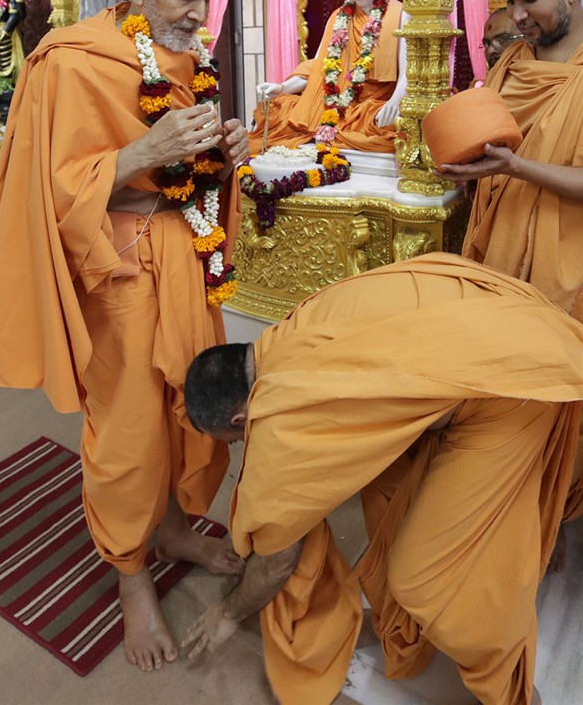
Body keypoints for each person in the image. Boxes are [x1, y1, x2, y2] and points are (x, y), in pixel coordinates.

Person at [0, 0, 249, 672]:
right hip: (119, 269)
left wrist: (224, 157)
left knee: (187, 411)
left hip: (185, 258)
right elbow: (45, 188)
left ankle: (169, 528)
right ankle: (132, 577)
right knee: (130, 430)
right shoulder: (69, 62)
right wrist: (140, 152)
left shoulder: (185, 54)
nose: (201, 13)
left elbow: (186, 175)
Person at [180, 254, 583, 705]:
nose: (242, 448)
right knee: (387, 488)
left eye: (235, 441)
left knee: (426, 581)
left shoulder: (280, 423)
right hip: (518, 317)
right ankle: (398, 626)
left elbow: (277, 558)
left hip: (511, 389)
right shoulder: (296, 325)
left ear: (240, 417)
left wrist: (229, 612)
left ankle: (513, 688)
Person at [435, 0, 583, 519]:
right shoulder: (512, 64)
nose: (517, 17)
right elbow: (491, 147)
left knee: (553, 400)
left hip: (566, 268)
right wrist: (471, 167)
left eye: (530, 0)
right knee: (496, 391)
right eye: (508, 0)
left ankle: (550, 515)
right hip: (498, 256)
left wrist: (516, 167)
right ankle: (503, 512)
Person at [248, 0, 408, 154]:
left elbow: (409, 74)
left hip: (371, 107)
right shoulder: (338, 16)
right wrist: (282, 87)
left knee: (391, 124)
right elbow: (319, 66)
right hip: (334, 103)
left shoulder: (400, 14)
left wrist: (396, 102)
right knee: (277, 109)